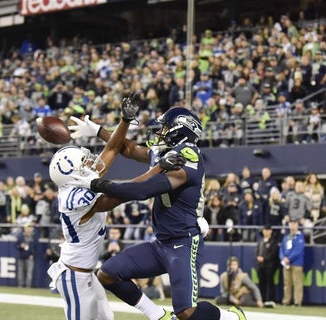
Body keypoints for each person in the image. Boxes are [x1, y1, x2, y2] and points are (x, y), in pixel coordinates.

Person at [70, 106, 247, 320]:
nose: (160, 131)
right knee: (108, 274)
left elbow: (144, 190)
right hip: (161, 243)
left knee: (186, 312)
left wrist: (98, 184)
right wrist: (99, 130)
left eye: (165, 127)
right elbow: (130, 149)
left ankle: (232, 317)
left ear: (179, 130)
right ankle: (158, 315)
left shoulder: (187, 156)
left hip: (184, 241)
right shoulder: (168, 153)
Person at [47, 92, 180, 320]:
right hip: (74, 276)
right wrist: (158, 168)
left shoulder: (80, 181)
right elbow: (123, 194)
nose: (89, 162)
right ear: (70, 174)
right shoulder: (74, 199)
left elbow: (112, 149)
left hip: (87, 274)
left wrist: (125, 120)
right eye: (83, 163)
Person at [279, 217, 305, 306]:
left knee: (297, 283)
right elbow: (282, 249)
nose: (292, 225)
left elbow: (298, 250)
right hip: (286, 263)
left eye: (294, 223)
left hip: (296, 263)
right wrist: (283, 258)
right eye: (291, 223)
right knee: (287, 283)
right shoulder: (286, 237)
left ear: (297, 225)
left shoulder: (300, 236)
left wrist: (289, 258)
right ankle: (286, 301)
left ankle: (297, 302)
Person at [256, 224, 279, 304]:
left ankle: (271, 299)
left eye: (267, 230)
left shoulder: (273, 241)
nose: (266, 232)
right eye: (264, 230)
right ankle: (262, 298)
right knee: (261, 283)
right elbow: (257, 250)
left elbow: (273, 253)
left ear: (271, 231)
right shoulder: (261, 240)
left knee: (270, 282)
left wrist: (264, 258)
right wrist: (257, 257)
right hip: (260, 265)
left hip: (270, 265)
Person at [15, 223, 38, 288]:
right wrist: (20, 246)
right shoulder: (20, 236)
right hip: (21, 256)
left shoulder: (34, 237)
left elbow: (36, 248)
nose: (28, 229)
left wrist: (33, 255)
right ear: (24, 229)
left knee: (29, 273)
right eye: (26, 228)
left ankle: (28, 286)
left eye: (29, 228)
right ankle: (20, 285)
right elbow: (16, 245)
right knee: (20, 272)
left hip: (30, 257)